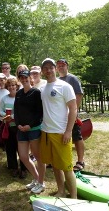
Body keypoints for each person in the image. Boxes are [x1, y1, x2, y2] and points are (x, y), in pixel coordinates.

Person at [38, 58, 77, 198]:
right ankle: (61, 191)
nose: (48, 70)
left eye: (50, 67)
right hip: (46, 132)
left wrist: (68, 131)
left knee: (67, 168)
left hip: (61, 133)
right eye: (45, 68)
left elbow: (73, 109)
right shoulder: (42, 88)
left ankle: (74, 198)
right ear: (42, 71)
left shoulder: (64, 86)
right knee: (54, 165)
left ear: (55, 68)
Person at [13, 70, 45, 191]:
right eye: (21, 77)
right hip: (21, 129)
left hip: (34, 129)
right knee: (23, 157)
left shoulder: (36, 93)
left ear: (30, 78)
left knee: (38, 157)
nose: (24, 79)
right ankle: (37, 179)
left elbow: (40, 113)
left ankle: (41, 183)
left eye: (26, 77)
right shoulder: (19, 93)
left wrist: (30, 126)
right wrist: (18, 125)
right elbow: (16, 111)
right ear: (19, 79)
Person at [57, 58, 85, 171]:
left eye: (63, 65)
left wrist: (74, 112)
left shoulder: (72, 78)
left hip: (71, 114)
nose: (61, 67)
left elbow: (79, 95)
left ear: (67, 66)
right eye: (58, 65)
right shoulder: (57, 80)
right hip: (60, 116)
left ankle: (80, 161)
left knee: (77, 136)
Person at [0, 77, 27, 178]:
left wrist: (12, 117)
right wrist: (4, 116)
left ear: (17, 86)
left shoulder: (20, 97)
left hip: (20, 127)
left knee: (22, 149)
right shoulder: (4, 98)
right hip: (9, 127)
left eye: (13, 85)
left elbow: (23, 112)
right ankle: (13, 168)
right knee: (10, 148)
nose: (11, 87)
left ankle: (24, 168)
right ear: (7, 87)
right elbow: (1, 110)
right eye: (9, 85)